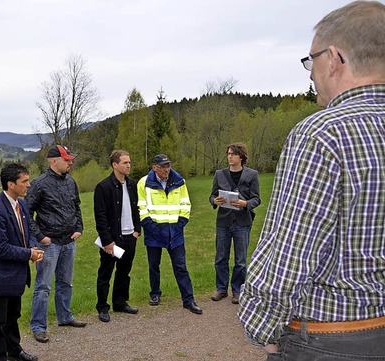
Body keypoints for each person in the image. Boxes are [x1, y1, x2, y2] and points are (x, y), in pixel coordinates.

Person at [238, 2, 385, 359]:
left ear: (334, 58)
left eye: (312, 60)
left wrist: (262, 326)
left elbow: (291, 252)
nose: (310, 73)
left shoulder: (323, 133)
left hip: (332, 336)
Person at [0, 163, 43, 361]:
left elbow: (29, 232)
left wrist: (33, 247)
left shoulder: (22, 205)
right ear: (10, 184)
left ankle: (14, 351)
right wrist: (29, 254)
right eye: (24, 181)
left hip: (16, 275)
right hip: (0, 277)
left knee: (12, 317)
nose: (29, 185)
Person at [28, 145, 86, 343]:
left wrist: (79, 227)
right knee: (43, 286)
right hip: (49, 243)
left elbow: (76, 207)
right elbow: (27, 214)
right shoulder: (39, 184)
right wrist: (40, 236)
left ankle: (65, 317)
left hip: (69, 241)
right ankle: (38, 326)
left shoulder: (71, 182)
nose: (70, 162)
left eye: (70, 159)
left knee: (66, 283)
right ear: (54, 161)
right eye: (67, 159)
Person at [137, 154, 202, 315]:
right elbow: (141, 207)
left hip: (175, 232)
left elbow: (185, 204)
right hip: (154, 232)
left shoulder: (179, 181)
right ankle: (155, 294)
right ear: (154, 168)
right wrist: (150, 226)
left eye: (168, 166)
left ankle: (188, 300)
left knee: (181, 267)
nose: (167, 169)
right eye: (163, 166)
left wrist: (180, 224)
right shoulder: (143, 183)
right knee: (154, 265)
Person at [208, 143, 260, 305]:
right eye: (228, 153)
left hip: (242, 221)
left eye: (233, 154)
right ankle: (221, 289)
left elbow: (256, 199)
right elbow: (212, 196)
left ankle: (237, 290)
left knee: (240, 260)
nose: (229, 156)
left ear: (241, 157)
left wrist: (245, 204)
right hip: (223, 221)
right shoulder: (219, 174)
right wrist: (214, 201)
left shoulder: (252, 175)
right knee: (221, 257)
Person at [94, 150, 141, 323]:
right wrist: (107, 241)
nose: (128, 165)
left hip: (130, 236)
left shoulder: (132, 184)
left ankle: (120, 302)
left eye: (129, 162)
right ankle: (102, 307)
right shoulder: (103, 187)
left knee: (124, 272)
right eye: (125, 163)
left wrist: (137, 230)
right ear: (115, 165)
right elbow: (100, 217)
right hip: (113, 239)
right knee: (105, 273)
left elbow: (137, 208)